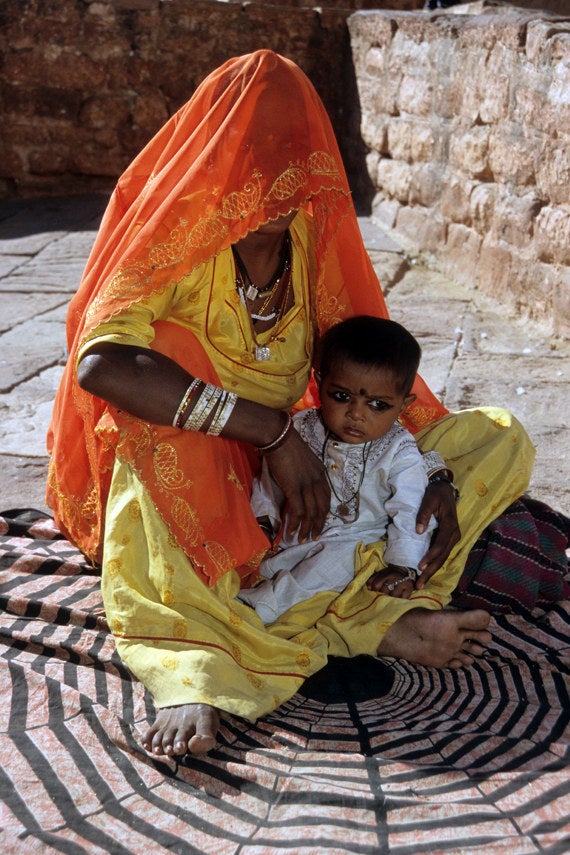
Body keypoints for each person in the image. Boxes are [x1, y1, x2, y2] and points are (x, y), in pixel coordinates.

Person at [46, 50, 566, 760]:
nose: (281, 182)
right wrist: (267, 433)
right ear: (221, 155)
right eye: (262, 158)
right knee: (162, 385)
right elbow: (102, 364)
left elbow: (371, 379)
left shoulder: (307, 242)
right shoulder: (183, 241)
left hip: (318, 476)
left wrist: (433, 474)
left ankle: (365, 607)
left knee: (497, 439)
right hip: (202, 473)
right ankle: (245, 648)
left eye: (298, 157)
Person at [239, 315, 439, 623]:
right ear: (319, 384)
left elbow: (409, 509)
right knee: (265, 567)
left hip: (359, 544)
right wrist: (264, 523)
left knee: (333, 563)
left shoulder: (399, 450)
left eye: (378, 405)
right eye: (341, 397)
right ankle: (268, 591)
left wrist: (402, 567)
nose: (356, 415)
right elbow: (271, 483)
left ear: (404, 404)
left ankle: (264, 607)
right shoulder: (301, 429)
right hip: (296, 540)